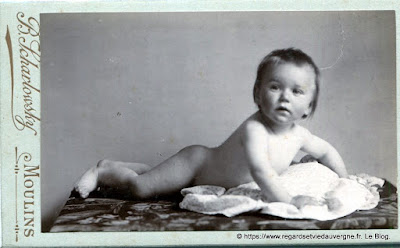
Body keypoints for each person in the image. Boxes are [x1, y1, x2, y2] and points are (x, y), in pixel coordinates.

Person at [75, 48, 348, 209]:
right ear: (257, 94)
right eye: (275, 87)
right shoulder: (255, 129)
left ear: (309, 107)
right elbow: (261, 172)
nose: (285, 97)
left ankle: (127, 166)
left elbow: (326, 151)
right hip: (196, 164)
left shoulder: (300, 135)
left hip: (209, 178)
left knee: (161, 181)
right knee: (141, 188)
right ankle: (104, 169)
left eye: (297, 91)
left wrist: (344, 179)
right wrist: (290, 202)